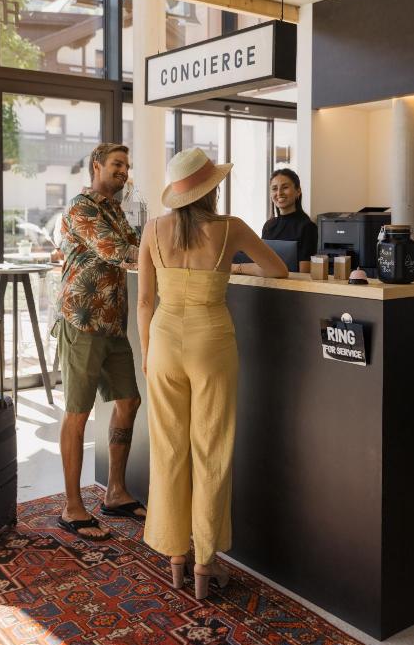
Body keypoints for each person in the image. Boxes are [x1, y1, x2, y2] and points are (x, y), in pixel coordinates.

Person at [137, 147, 287, 599]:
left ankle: (175, 557)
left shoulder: (152, 229)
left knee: (168, 449)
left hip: (163, 342)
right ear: (211, 190)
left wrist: (147, 355)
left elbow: (144, 301)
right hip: (212, 341)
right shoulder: (231, 228)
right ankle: (205, 563)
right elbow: (277, 270)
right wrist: (233, 265)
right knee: (211, 449)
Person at [55, 142, 145, 542]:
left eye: (126, 165)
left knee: (129, 401)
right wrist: (170, 253)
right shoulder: (82, 207)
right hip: (82, 321)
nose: (123, 171)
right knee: (78, 412)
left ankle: (115, 492)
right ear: (97, 165)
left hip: (113, 325)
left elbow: (136, 245)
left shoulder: (116, 210)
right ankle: (72, 507)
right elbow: (117, 251)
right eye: (117, 164)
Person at [262, 168, 318, 273]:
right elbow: (262, 262)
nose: (279, 193)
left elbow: (304, 273)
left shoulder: (307, 227)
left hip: (293, 282)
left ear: (298, 191)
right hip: (267, 281)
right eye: (274, 188)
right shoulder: (268, 226)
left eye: (285, 187)